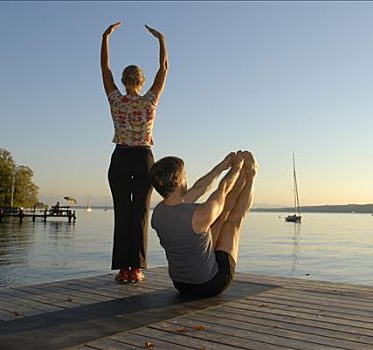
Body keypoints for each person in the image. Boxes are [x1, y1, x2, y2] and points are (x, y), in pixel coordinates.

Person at [101, 21, 168, 284]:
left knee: (122, 212)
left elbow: (104, 68)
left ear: (123, 80)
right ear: (141, 80)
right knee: (140, 213)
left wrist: (106, 38)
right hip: (143, 159)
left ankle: (123, 269)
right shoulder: (150, 100)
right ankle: (136, 269)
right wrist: (161, 40)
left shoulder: (115, 99)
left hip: (120, 157)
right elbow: (163, 68)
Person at [150, 151, 257, 296]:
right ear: (178, 181)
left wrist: (223, 165)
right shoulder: (198, 215)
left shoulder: (158, 213)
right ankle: (250, 176)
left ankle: (244, 176)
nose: (186, 178)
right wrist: (237, 169)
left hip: (181, 284)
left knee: (217, 220)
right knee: (232, 222)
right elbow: (223, 189)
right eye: (184, 174)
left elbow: (199, 189)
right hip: (210, 284)